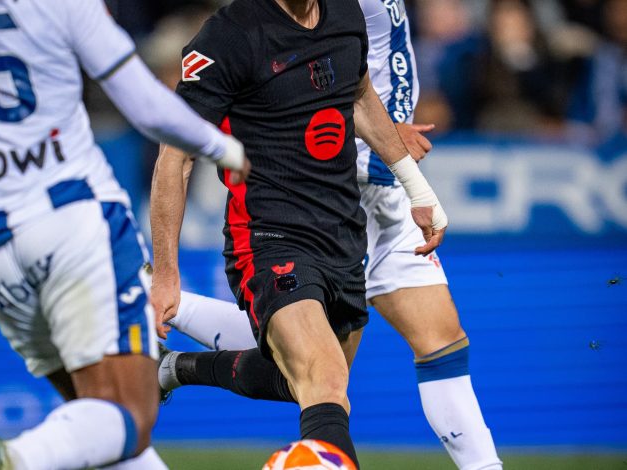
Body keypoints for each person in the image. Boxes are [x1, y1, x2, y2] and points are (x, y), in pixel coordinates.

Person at [0, 1, 249, 469]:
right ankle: (16, 457)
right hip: (74, 223)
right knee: (131, 415)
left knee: (99, 423)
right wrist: (220, 145)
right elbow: (144, 102)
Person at [159, 1, 504, 469]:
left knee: (318, 377)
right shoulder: (230, 35)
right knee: (322, 376)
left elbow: (359, 94)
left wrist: (416, 187)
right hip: (274, 229)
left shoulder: (341, 13)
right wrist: (167, 272)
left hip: (348, 222)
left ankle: (174, 366)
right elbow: (175, 155)